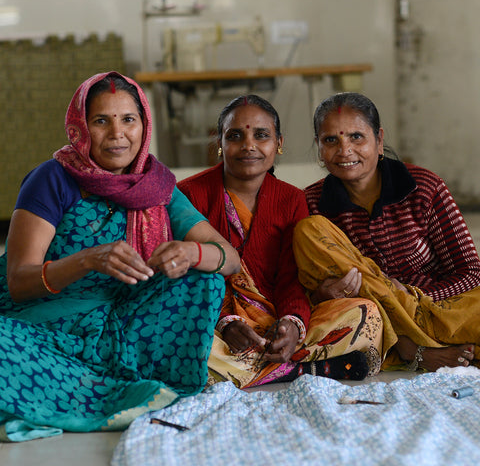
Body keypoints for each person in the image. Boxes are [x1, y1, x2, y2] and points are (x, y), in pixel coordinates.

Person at [0, 71, 240, 441]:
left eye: (129, 119)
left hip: (124, 326)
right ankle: (117, 391)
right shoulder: (52, 179)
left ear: (144, 126)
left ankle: (100, 382)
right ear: (80, 128)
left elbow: (229, 257)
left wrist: (190, 252)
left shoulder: (156, 186)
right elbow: (19, 281)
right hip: (47, 326)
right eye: (101, 121)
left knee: (202, 277)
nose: (117, 133)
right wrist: (88, 259)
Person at [178, 94, 385, 389]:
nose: (249, 145)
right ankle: (301, 370)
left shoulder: (291, 198)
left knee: (365, 313)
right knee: (188, 341)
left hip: (274, 320)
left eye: (261, 135)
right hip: (215, 321)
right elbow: (191, 277)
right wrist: (225, 321)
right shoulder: (189, 194)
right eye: (235, 135)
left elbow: (291, 276)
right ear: (219, 144)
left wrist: (291, 324)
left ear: (279, 143)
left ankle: (262, 366)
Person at [294, 91, 480, 372]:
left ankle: (407, 344)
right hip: (371, 316)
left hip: (436, 308)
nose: (344, 151)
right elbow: (301, 288)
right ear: (319, 148)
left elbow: (471, 271)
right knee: (309, 230)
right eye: (331, 140)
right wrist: (322, 294)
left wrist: (415, 297)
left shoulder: (424, 187)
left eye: (357, 137)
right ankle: (409, 347)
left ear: (379, 140)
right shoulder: (309, 203)